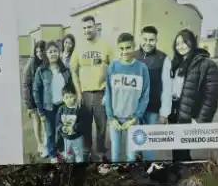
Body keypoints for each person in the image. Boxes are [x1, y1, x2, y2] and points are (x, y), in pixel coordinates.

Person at [169, 28, 218, 162]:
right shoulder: (176, 63)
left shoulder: (206, 64)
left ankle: (186, 175)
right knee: (177, 151)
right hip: (175, 116)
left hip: (190, 118)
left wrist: (200, 121)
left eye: (184, 42)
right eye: (177, 44)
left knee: (183, 152)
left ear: (192, 43)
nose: (180, 46)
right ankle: (179, 173)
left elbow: (211, 97)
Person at [70, 15, 114, 163]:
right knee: (85, 126)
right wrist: (78, 92)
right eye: (84, 28)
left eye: (89, 27)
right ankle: (87, 151)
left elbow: (113, 70)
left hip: (101, 92)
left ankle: (101, 151)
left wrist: (108, 91)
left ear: (95, 27)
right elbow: (73, 71)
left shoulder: (105, 46)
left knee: (102, 126)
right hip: (85, 94)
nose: (87, 30)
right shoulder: (79, 48)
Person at [105, 32, 151, 164]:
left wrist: (136, 117)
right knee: (115, 155)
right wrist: (111, 117)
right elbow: (108, 93)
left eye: (128, 48)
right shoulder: (112, 67)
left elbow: (145, 96)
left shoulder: (142, 68)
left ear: (134, 46)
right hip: (115, 119)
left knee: (131, 156)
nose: (125, 51)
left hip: (132, 120)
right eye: (121, 48)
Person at [133, 25, 172, 161]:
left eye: (151, 40)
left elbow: (168, 87)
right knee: (136, 138)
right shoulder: (132, 56)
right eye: (145, 39)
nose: (148, 43)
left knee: (149, 140)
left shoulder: (163, 58)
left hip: (154, 108)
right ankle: (137, 162)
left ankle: (149, 165)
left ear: (156, 40)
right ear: (140, 38)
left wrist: (164, 112)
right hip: (135, 108)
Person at [32, 41, 72, 160]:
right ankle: (53, 155)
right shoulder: (41, 70)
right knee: (50, 134)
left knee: (62, 131)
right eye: (50, 52)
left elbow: (70, 87)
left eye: (55, 51)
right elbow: (36, 91)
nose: (53, 54)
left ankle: (61, 151)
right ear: (46, 54)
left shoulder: (65, 70)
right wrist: (40, 111)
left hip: (62, 106)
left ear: (59, 53)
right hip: (48, 107)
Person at [22, 40, 46, 158]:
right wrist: (28, 104)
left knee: (44, 121)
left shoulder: (46, 62)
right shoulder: (31, 63)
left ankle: (46, 144)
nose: (39, 53)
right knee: (37, 121)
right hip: (33, 98)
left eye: (41, 51)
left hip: (44, 98)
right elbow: (26, 84)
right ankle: (39, 144)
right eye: (37, 51)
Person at [56, 85, 89, 164]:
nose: (69, 100)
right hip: (66, 139)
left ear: (75, 96)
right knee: (69, 156)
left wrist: (74, 128)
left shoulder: (79, 109)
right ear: (63, 99)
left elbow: (83, 123)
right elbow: (58, 123)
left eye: (71, 97)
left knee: (79, 156)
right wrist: (62, 127)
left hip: (77, 138)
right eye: (66, 97)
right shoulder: (61, 109)